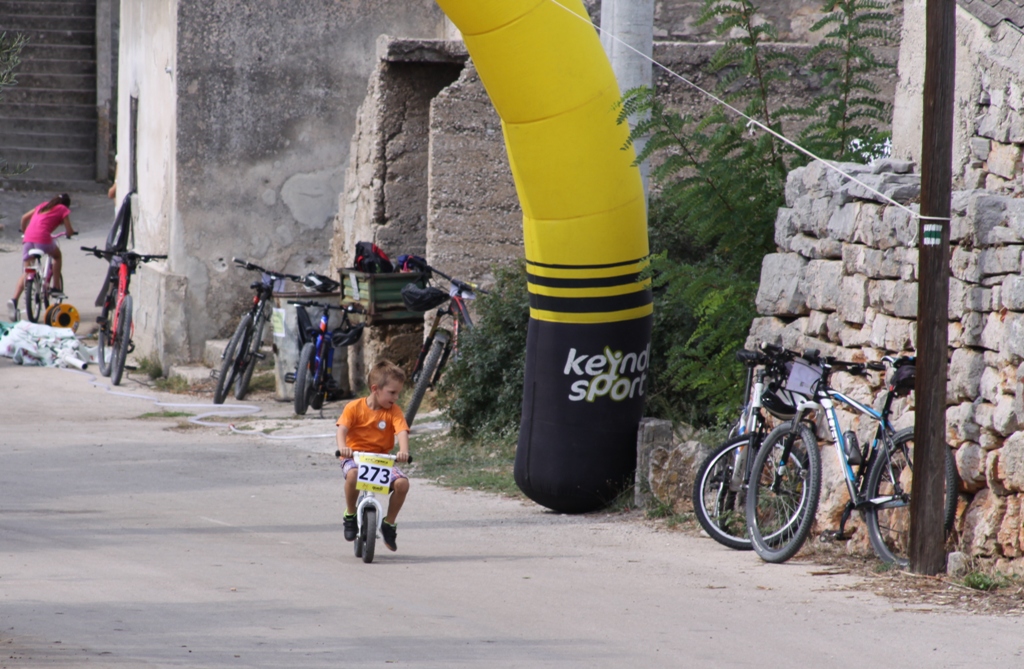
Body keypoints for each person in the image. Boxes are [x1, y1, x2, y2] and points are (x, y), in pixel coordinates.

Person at [335, 359, 411, 552]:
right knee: (353, 475)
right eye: (392, 393)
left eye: (398, 393)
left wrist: (403, 451)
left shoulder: (393, 411)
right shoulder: (354, 407)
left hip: (380, 459)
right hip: (355, 457)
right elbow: (342, 429)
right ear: (375, 389)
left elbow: (402, 431)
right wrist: (343, 448)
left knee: (402, 484)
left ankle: (389, 523)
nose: (396, 397)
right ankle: (351, 514)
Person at [8, 193, 76, 321]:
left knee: (27, 271)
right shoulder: (63, 209)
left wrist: (25, 232)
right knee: (57, 256)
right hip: (43, 239)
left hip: (28, 239)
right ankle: (56, 286)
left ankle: (14, 299)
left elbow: (24, 218)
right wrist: (69, 233)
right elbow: (69, 229)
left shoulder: (43, 205)